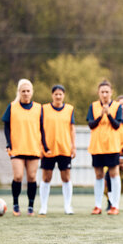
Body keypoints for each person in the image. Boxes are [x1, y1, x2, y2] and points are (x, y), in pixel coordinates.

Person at [2, 78, 45, 216]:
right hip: (17, 147)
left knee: (32, 177)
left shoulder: (39, 108)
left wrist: (44, 146)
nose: (26, 93)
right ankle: (15, 205)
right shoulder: (12, 107)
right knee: (18, 176)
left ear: (32, 92)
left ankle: (30, 207)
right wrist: (9, 143)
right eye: (23, 91)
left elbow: (43, 129)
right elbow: (6, 126)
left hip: (33, 147)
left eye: (28, 91)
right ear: (19, 92)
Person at [38, 85, 76, 215]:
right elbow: (40, 129)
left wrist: (73, 146)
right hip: (48, 148)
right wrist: (41, 146)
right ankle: (43, 207)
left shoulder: (69, 109)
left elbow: (72, 129)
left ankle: (67, 206)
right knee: (46, 177)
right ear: (52, 95)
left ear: (63, 95)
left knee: (66, 177)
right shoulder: (44, 109)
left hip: (64, 148)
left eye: (60, 94)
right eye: (56, 94)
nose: (58, 96)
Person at [87, 80, 123, 215]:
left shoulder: (117, 106)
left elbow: (117, 125)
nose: (104, 94)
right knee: (98, 175)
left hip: (112, 146)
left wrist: (108, 114)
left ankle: (115, 205)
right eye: (102, 92)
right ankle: (97, 205)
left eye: (107, 91)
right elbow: (91, 125)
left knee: (114, 174)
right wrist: (101, 115)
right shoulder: (93, 106)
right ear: (98, 93)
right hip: (97, 146)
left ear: (111, 92)